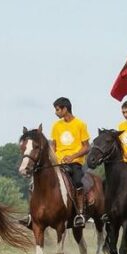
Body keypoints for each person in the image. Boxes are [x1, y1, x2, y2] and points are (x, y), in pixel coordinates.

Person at [52, 97, 91, 227]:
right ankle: (33, 214)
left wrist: (73, 156)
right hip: (58, 163)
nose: (56, 112)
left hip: (75, 163)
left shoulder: (80, 124)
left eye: (57, 109)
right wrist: (53, 158)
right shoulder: (56, 126)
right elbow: (53, 146)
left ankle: (79, 213)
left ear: (65, 109)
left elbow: (87, 147)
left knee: (77, 182)